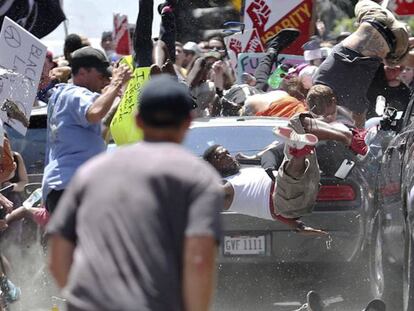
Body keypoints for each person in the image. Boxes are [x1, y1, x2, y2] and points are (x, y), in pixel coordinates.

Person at [47, 75, 223, 311]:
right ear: (188, 122)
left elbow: (58, 255)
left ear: (138, 121)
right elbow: (199, 259)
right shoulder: (198, 178)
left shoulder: (91, 172)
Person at [41, 47, 131, 214]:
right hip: (72, 186)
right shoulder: (75, 94)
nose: (105, 81)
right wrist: (117, 82)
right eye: (102, 75)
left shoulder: (62, 95)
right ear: (82, 72)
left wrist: (118, 96)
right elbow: (95, 113)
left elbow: (101, 126)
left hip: (63, 187)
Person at [312, 0, 412, 128]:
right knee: (361, 3)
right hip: (373, 16)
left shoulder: (349, 98)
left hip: (397, 38)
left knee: (392, 61)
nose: (330, 116)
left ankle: (408, 44)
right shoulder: (318, 77)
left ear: (332, 102)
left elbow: (360, 126)